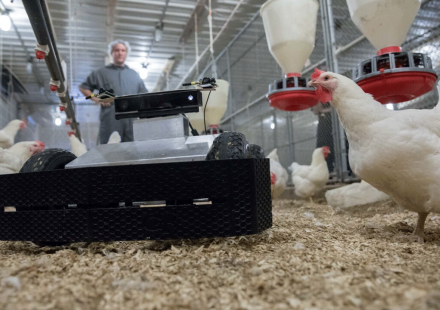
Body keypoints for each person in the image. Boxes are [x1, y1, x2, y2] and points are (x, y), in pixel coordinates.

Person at [79, 39, 147, 144]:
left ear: (126, 53)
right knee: (109, 151)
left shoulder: (134, 75)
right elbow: (84, 88)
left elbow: (144, 95)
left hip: (132, 120)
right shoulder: (101, 73)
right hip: (110, 119)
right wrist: (96, 97)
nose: (120, 53)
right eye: (117, 50)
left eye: (123, 50)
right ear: (111, 53)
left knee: (133, 150)